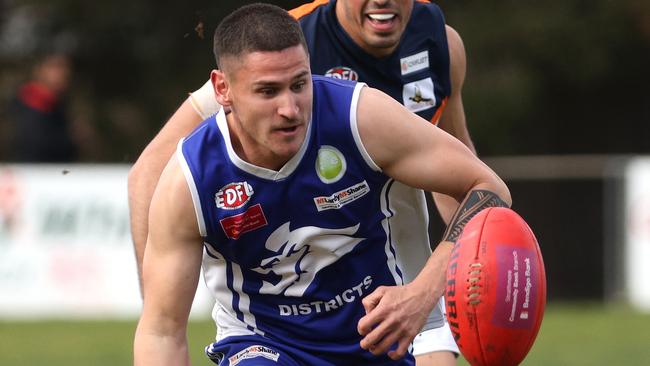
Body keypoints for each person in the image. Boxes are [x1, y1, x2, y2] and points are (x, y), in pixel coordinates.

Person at [133, 3, 510, 366]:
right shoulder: (191, 178)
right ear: (222, 90)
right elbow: (162, 331)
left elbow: (487, 187)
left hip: (381, 336)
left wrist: (424, 291)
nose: (290, 108)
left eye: (299, 84)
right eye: (268, 92)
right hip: (263, 341)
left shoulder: (361, 117)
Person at [5, 52, 79, 162]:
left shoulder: (60, 106)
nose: (63, 73)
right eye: (55, 67)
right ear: (39, 70)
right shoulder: (26, 102)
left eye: (65, 67)